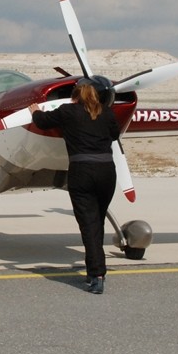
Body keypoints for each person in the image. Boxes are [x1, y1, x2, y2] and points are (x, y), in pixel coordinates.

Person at [30, 77, 121, 294]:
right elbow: (115, 134)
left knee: (89, 225)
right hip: (107, 172)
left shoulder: (67, 112)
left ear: (76, 94)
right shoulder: (107, 113)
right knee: (97, 221)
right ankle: (95, 269)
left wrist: (34, 110)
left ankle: (97, 275)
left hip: (82, 172)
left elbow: (42, 121)